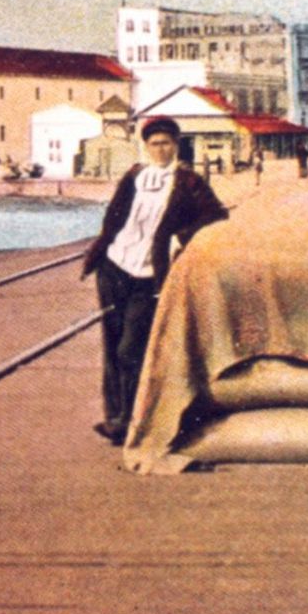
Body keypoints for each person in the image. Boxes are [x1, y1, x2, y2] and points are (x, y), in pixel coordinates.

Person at [82, 117, 228, 446]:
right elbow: (114, 218)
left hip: (150, 274)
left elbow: (217, 215)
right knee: (113, 346)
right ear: (145, 146)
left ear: (176, 145)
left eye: (166, 143)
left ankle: (136, 418)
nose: (160, 149)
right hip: (115, 267)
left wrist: (181, 236)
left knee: (131, 347)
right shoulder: (135, 176)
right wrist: (102, 254)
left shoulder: (187, 180)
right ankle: (116, 417)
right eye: (154, 143)